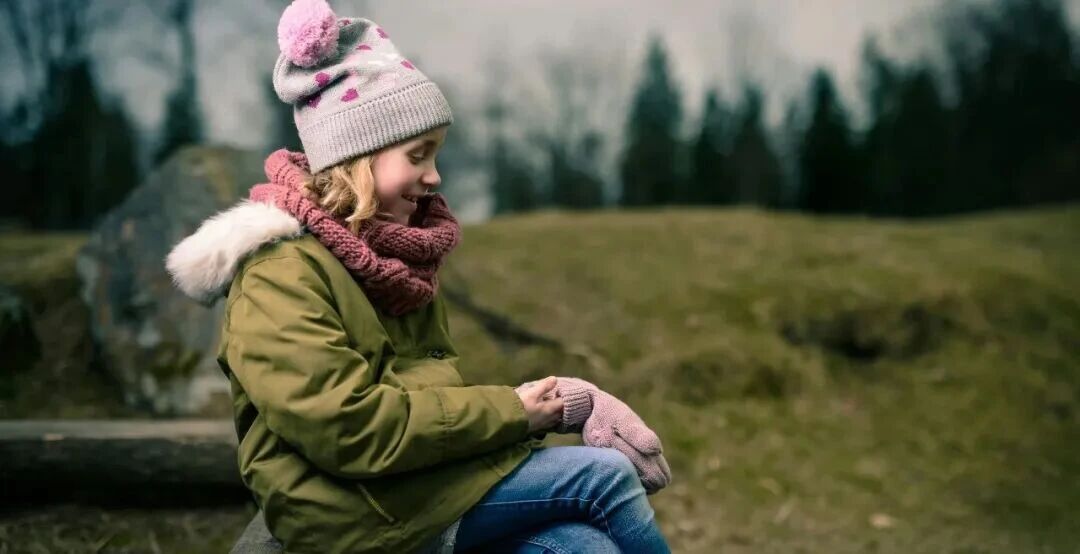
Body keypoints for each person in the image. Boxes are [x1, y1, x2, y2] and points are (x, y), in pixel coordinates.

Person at [166, 1, 671, 551]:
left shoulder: (394, 262)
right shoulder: (279, 274)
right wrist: (519, 412)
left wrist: (561, 400)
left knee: (582, 546)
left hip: (414, 483)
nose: (434, 176)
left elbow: (424, 398)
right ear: (359, 156)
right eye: (418, 155)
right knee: (602, 476)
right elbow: (349, 429)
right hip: (349, 510)